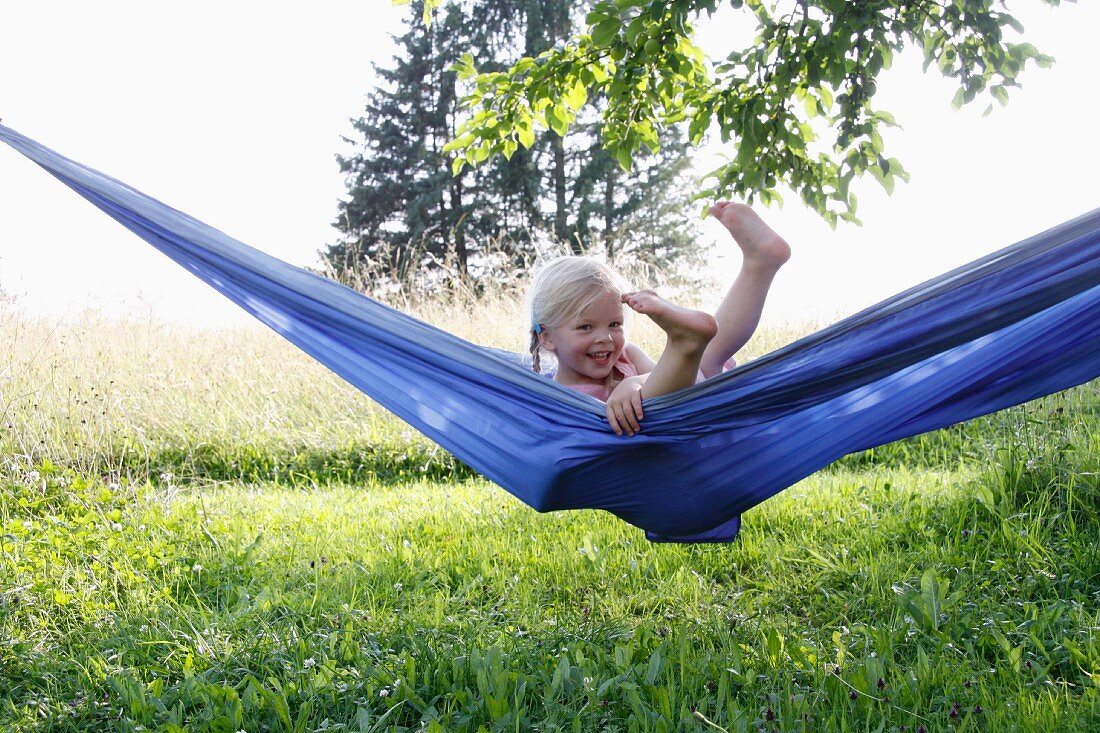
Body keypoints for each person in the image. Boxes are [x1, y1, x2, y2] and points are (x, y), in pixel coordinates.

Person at [527, 201, 790, 436]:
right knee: (699, 362)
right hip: (638, 445)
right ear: (547, 337)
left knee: (701, 361)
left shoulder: (626, 356)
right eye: (585, 327)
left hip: (686, 408)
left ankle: (758, 267)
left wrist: (635, 383)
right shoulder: (557, 399)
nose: (605, 338)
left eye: (615, 324)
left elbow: (661, 373)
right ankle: (756, 270)